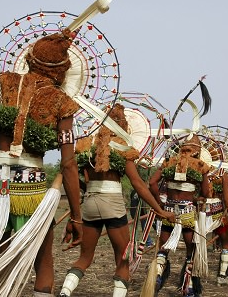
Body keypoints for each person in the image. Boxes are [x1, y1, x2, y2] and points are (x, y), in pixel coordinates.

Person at [0, 0, 82, 297]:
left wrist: (2, 123)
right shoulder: (61, 103)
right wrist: (77, 217)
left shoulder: (5, 83)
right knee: (43, 257)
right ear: (63, 73)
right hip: (32, 186)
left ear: (28, 60)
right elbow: (68, 164)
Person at [58, 104, 175, 297]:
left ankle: (64, 292)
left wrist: (85, 198)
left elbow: (77, 177)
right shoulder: (122, 147)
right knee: (122, 262)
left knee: (84, 258)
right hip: (113, 206)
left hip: (90, 206)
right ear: (122, 124)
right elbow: (137, 183)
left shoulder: (89, 146)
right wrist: (159, 210)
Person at [149, 134, 210, 297]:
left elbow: (152, 183)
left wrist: (159, 203)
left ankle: (157, 277)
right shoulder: (200, 165)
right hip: (187, 212)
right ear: (198, 151)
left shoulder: (169, 162)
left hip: (168, 210)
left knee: (163, 249)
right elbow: (206, 192)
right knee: (191, 249)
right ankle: (188, 287)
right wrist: (196, 196)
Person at [202, 173, 228, 286]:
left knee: (196, 245)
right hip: (218, 213)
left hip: (201, 211)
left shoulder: (200, 170)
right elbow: (227, 199)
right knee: (226, 244)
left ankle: (191, 277)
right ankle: (222, 276)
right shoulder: (222, 175)